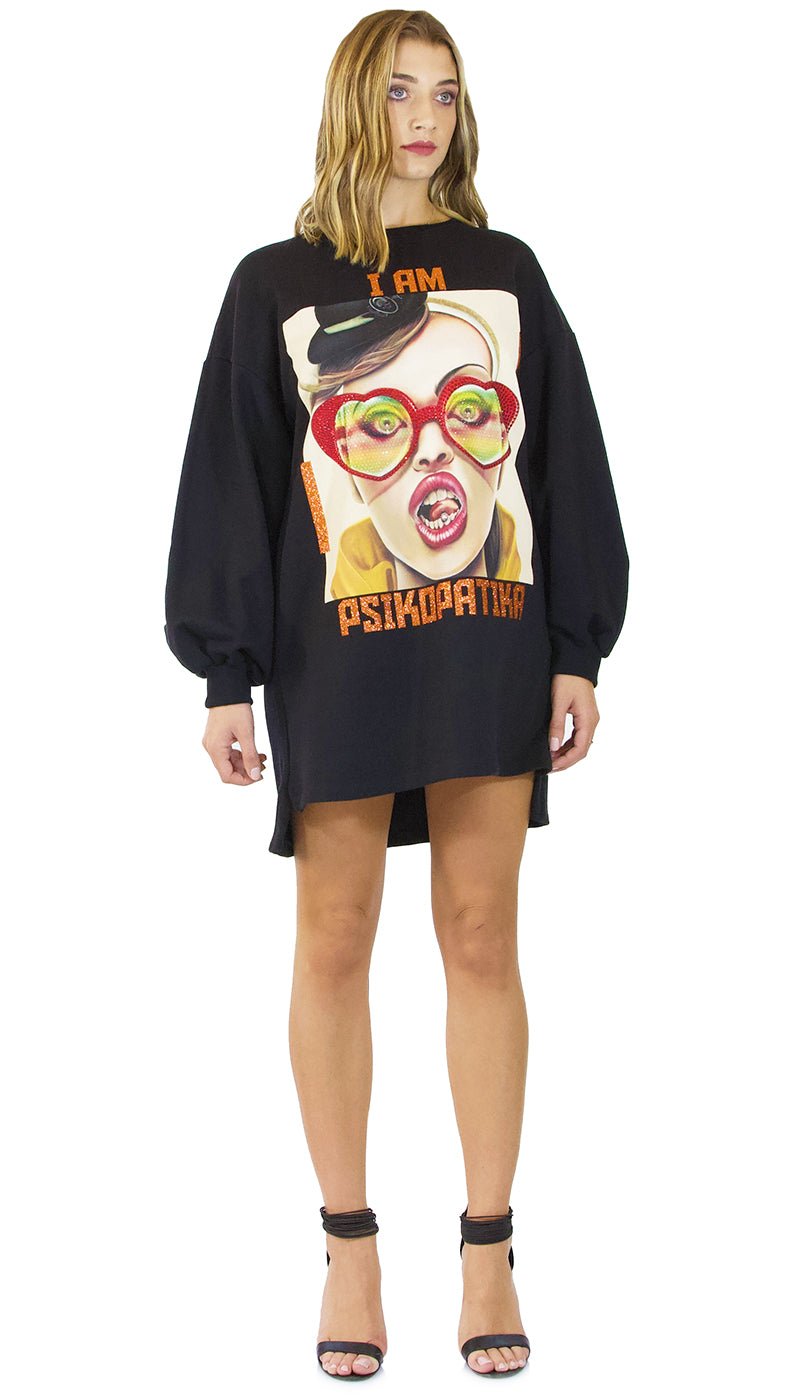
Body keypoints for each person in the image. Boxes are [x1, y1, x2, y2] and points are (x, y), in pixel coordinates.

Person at [163, 9, 629, 1381]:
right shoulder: (274, 284)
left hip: (492, 640)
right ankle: (349, 1247)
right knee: (334, 937)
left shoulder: (505, 270)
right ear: (351, 105)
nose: (424, 119)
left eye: (444, 93)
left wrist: (578, 648)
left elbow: (568, 463)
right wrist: (226, 674)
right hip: (338, 656)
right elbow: (232, 477)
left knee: (482, 935)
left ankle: (488, 1245)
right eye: (398, 92)